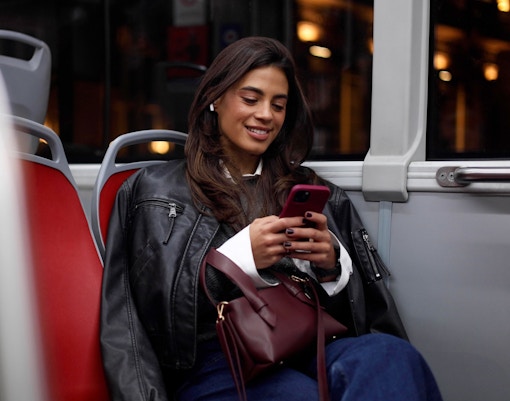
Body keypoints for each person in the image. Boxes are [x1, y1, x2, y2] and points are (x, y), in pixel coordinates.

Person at [100, 36, 443, 401]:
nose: (266, 114)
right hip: (216, 360)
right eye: (251, 99)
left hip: (307, 340)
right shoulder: (156, 192)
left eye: (278, 105)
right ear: (215, 98)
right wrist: (240, 260)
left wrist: (330, 267)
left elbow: (362, 317)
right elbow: (141, 314)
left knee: (393, 357)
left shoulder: (310, 189)